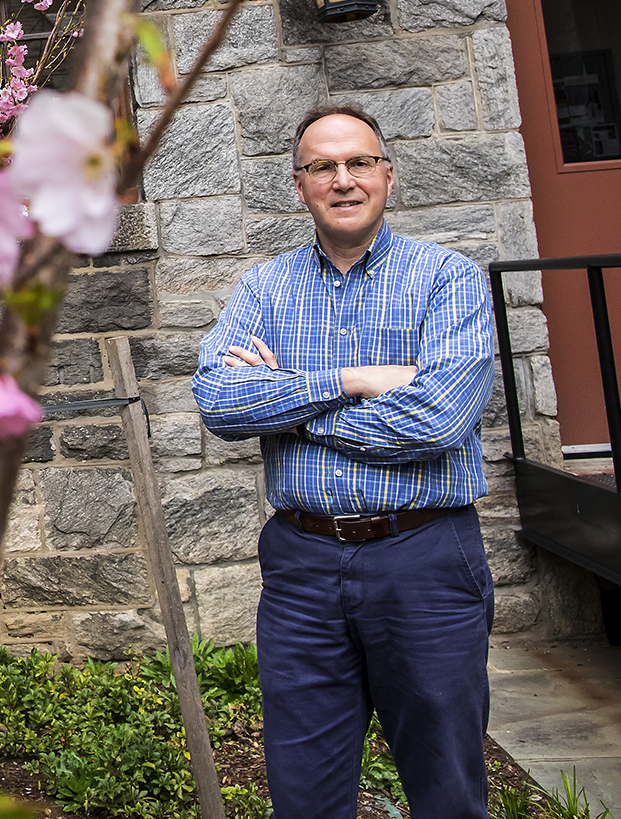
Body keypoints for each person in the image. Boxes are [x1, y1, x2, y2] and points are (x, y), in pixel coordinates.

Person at [192, 103, 497, 819]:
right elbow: (219, 402)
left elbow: (440, 416)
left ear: (388, 175)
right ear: (299, 186)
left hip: (423, 555)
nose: (343, 179)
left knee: (447, 782)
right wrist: (353, 380)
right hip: (302, 565)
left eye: (359, 161)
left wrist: (289, 402)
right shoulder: (264, 288)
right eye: (322, 166)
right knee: (304, 791)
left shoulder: (447, 279)